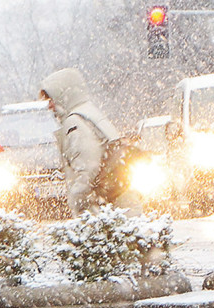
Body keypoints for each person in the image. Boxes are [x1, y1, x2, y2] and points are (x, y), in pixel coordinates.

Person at [39, 67, 141, 215]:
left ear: (63, 95)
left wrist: (78, 201)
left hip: (104, 211)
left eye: (51, 100)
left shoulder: (75, 122)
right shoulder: (89, 113)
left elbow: (87, 168)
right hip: (121, 202)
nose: (49, 106)